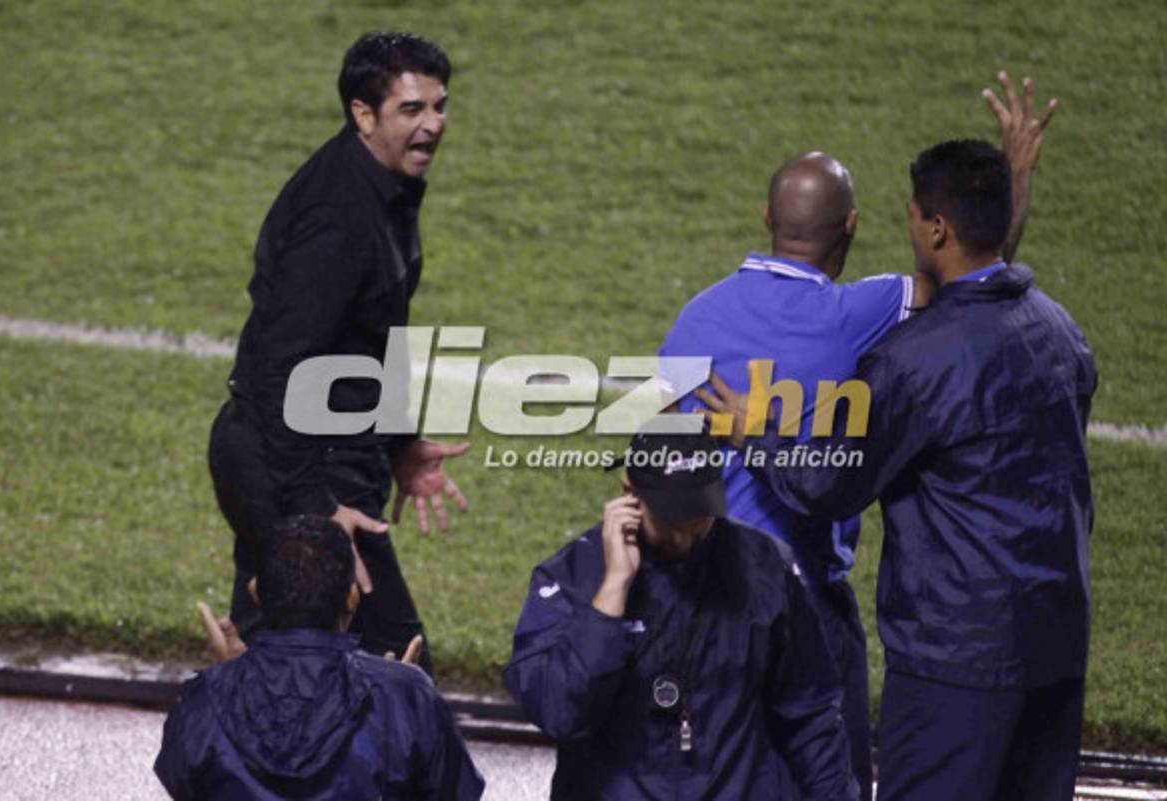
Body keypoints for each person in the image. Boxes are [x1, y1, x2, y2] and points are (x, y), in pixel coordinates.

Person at [658, 71, 1052, 798]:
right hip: (807, 611)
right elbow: (974, 276)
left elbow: (658, 471)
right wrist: (1013, 179)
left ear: (766, 217)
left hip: (705, 607)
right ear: (852, 227)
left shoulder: (695, 318)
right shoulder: (861, 316)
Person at [208, 32, 470, 675]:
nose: (433, 124)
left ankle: (237, 727)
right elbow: (280, 369)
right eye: (412, 109)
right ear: (363, 114)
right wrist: (317, 512)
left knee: (281, 664)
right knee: (394, 666)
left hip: (318, 456)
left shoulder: (385, 185)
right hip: (292, 465)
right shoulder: (339, 216)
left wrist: (400, 441)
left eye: (439, 106)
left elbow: (373, 334)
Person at [503, 430, 858, 800]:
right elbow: (559, 713)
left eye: (698, 518)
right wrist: (612, 591)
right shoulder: (573, 575)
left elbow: (811, 715)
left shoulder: (765, 568)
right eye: (671, 523)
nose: (684, 539)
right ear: (630, 492)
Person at [155, 515, 485, 800]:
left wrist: (232, 684)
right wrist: (400, 701)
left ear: (255, 592)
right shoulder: (404, 695)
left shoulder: (203, 698)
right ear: (352, 598)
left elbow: (183, 782)